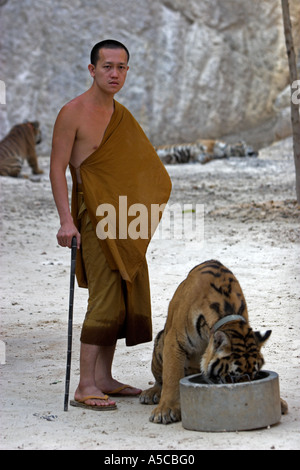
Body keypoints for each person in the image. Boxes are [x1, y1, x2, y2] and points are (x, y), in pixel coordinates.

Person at [50, 39, 171, 410]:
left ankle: (103, 377)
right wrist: (65, 221)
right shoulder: (72, 112)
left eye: (121, 67)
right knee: (103, 296)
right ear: (92, 70)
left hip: (123, 219)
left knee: (121, 295)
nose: (114, 73)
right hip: (93, 217)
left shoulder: (122, 116)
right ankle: (85, 384)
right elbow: (57, 169)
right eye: (107, 67)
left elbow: (140, 167)